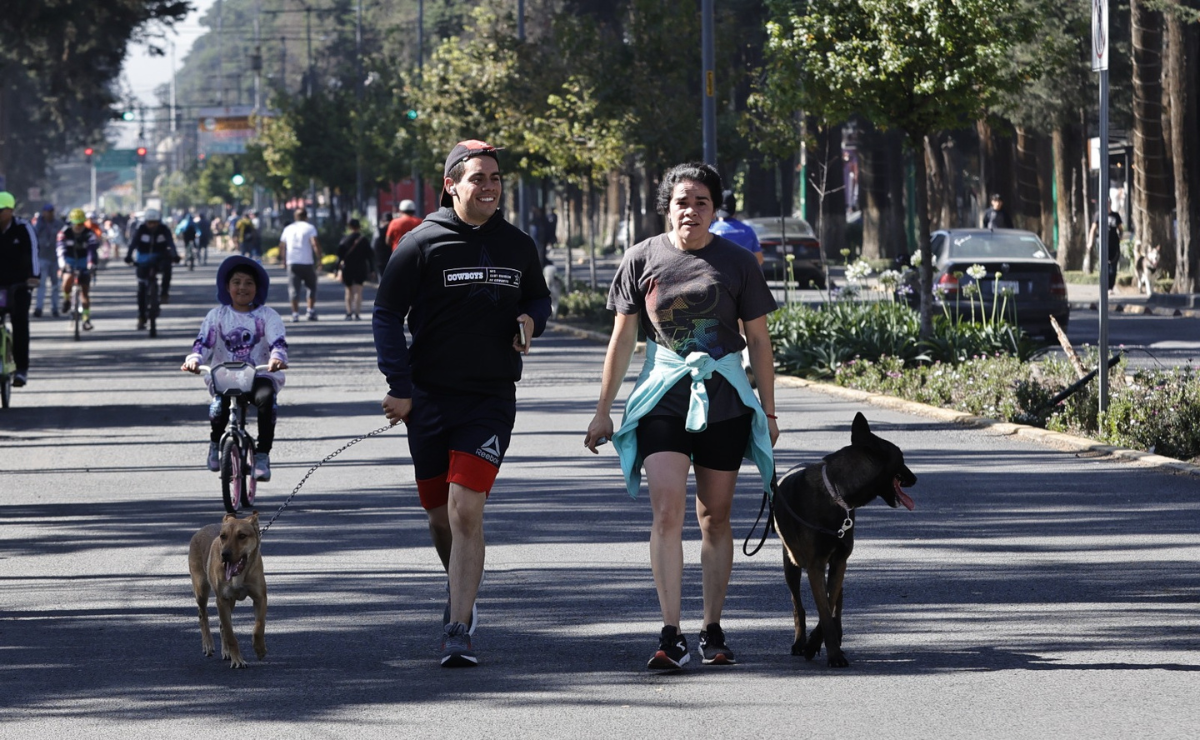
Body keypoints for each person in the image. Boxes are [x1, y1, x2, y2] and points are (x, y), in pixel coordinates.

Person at [583, 162, 779, 671]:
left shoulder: (737, 261)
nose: (690, 210)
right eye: (682, 201)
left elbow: (758, 339)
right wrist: (603, 411)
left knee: (715, 516)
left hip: (726, 398)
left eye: (701, 202)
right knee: (667, 512)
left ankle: (712, 628)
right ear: (667, 206)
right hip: (664, 394)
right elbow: (623, 339)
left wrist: (769, 410)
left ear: (715, 209)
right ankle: (670, 633)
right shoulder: (642, 257)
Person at [373, 140, 551, 667]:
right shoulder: (421, 243)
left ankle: (458, 622)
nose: (490, 186)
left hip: (489, 398)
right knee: (438, 518)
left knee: (465, 509)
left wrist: (531, 320)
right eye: (479, 178)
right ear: (451, 185)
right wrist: (399, 386)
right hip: (427, 399)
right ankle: (460, 590)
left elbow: (537, 296)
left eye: (496, 178)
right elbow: (386, 314)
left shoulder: (518, 245)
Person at [181, 256, 288, 482]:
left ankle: (262, 455)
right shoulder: (217, 316)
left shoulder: (267, 316)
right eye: (237, 282)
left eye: (249, 282)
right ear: (227, 287)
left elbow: (277, 342)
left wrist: (277, 357)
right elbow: (203, 343)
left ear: (257, 288)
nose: (242, 287)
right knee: (219, 409)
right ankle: (214, 443)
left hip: (259, 374)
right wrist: (194, 359)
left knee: (267, 399)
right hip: (225, 376)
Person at [0, 191, 40, 388]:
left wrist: (34, 277)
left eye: (1, 211)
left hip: (19, 285)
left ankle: (22, 369)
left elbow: (33, 252)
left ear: (10, 211)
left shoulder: (23, 228)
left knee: (20, 323)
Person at [125, 208, 179, 330]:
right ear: (146, 222)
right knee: (141, 289)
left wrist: (175, 255)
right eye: (150, 223)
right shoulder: (141, 229)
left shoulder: (164, 229)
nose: (152, 225)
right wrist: (128, 256)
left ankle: (164, 292)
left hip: (160, 257)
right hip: (143, 259)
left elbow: (171, 243)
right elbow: (133, 243)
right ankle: (141, 316)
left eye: (155, 223)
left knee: (167, 267)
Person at [56, 208, 100, 330]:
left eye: (81, 223)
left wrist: (91, 263)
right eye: (76, 223)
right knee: (67, 279)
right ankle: (66, 299)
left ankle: (86, 318)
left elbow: (92, 250)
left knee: (85, 293)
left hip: (84, 260)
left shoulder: (89, 234)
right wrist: (62, 264)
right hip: (69, 259)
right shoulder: (64, 233)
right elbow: (60, 249)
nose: (79, 226)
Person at [279, 208, 322, 322]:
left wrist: (283, 260)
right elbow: (314, 244)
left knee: (293, 289)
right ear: (306, 217)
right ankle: (310, 311)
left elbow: (282, 245)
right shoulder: (310, 228)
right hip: (307, 262)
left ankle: (295, 314)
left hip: (292, 262)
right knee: (311, 287)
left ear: (295, 217)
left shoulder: (288, 228)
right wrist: (319, 259)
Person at [708, 191, 763, 266]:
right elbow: (759, 260)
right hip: (743, 275)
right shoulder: (748, 230)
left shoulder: (711, 231)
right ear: (734, 208)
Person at [335, 218, 373, 320]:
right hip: (361, 267)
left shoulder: (344, 239)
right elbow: (370, 256)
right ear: (359, 227)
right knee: (358, 291)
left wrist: (336, 269)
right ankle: (357, 313)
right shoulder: (364, 240)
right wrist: (372, 269)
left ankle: (349, 312)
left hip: (348, 268)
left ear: (349, 227)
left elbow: (339, 256)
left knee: (348, 290)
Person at [32, 203, 64, 318]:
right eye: (46, 211)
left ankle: (55, 308)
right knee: (41, 285)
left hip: (56, 259)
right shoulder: (38, 224)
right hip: (42, 258)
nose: (49, 214)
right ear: (43, 212)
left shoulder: (58, 224)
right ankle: (39, 308)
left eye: (51, 211)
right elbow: (33, 238)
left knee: (55, 285)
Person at [1088, 202, 1124, 291]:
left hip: (1114, 245)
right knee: (1104, 267)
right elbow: (1093, 229)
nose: (1107, 205)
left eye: (1108, 203)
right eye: (1105, 203)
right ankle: (1105, 286)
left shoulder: (1116, 215)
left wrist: (1120, 237)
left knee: (1113, 268)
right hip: (1103, 245)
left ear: (1110, 204)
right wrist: (1090, 242)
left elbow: (1120, 229)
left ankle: (1110, 287)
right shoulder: (1098, 215)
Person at [373, 211, 393, 276]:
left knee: (381, 279)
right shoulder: (394, 229)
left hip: (380, 260)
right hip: (392, 258)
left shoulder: (378, 231)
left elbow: (373, 244)